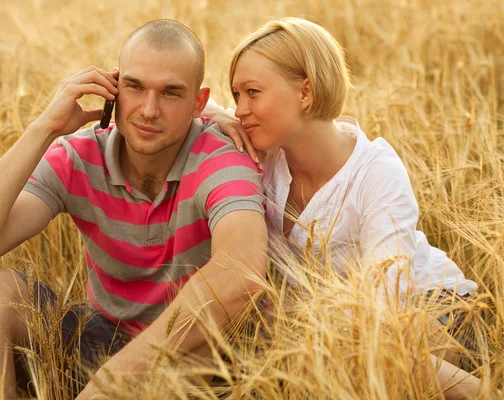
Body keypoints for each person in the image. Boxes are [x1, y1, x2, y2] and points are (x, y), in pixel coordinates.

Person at [0, 20, 268, 399]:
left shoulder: (220, 159)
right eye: (135, 86)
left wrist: (115, 381)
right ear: (113, 86)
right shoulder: (78, 156)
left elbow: (242, 272)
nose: (149, 110)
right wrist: (44, 128)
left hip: (195, 362)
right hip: (100, 344)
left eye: (171, 93)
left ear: (199, 103)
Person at [203, 17, 484, 400]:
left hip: (432, 311)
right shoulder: (262, 156)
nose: (240, 110)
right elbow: (187, 107)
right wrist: (214, 114)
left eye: (252, 92)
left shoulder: (376, 172)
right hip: (334, 326)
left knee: (362, 350)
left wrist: (310, 331)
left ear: (305, 92)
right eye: (236, 96)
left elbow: (382, 308)